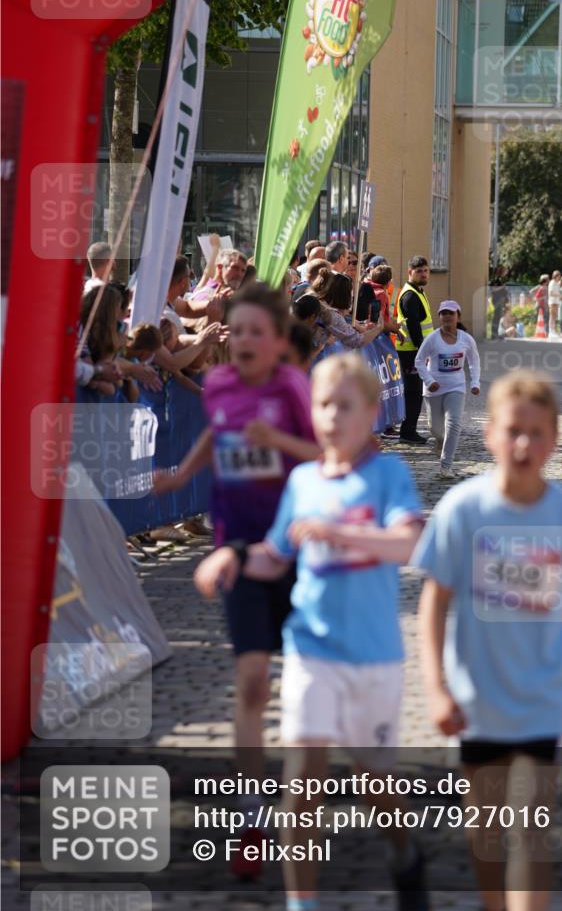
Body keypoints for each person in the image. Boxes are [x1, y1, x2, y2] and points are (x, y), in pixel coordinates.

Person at [193, 353, 428, 911]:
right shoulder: (301, 480)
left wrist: (341, 535)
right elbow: (276, 557)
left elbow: (410, 544)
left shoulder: (388, 475)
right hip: (311, 650)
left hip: (372, 657)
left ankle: (404, 850)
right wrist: (230, 557)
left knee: (376, 784)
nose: (330, 417)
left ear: (371, 413)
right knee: (302, 787)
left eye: (344, 406)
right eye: (322, 405)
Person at [415, 370, 562, 911]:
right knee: (486, 828)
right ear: (491, 436)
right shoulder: (463, 510)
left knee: (532, 827)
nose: (524, 444)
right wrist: (436, 689)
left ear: (554, 441)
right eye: (512, 430)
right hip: (477, 696)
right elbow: (434, 601)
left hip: (544, 696)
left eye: (536, 433)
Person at [153, 284, 320, 877]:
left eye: (257, 332)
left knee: (305, 687)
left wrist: (279, 442)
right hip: (239, 551)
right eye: (237, 330)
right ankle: (251, 815)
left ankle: (310, 798)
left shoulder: (293, 388)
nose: (245, 341)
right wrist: (181, 475)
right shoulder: (221, 385)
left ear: (277, 342)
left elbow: (323, 453)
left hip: (298, 549)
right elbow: (215, 433)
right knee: (252, 680)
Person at [415, 300, 481, 478]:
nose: (447, 317)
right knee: (435, 429)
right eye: (443, 313)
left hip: (456, 386)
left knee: (454, 424)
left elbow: (474, 362)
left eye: (451, 313)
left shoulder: (466, 339)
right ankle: (439, 440)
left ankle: (446, 466)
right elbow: (419, 361)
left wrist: (475, 382)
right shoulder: (432, 338)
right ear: (439, 317)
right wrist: (429, 380)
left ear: (458, 316)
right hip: (433, 389)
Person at [395, 256, 433, 444]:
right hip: (411, 352)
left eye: (426, 270)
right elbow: (414, 328)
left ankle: (409, 430)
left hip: (415, 351)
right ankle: (407, 432)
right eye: (419, 271)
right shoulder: (410, 295)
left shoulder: (418, 292)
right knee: (413, 393)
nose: (424, 274)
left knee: (415, 392)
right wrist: (423, 352)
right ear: (410, 272)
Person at [547, 270, 561, 338]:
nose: (559, 277)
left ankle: (553, 330)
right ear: (555, 276)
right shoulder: (552, 283)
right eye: (558, 276)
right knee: (552, 316)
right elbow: (551, 293)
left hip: (556, 302)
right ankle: (551, 331)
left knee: (555, 316)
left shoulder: (557, 283)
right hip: (552, 302)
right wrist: (558, 295)